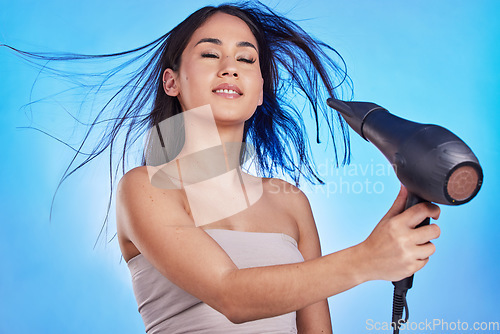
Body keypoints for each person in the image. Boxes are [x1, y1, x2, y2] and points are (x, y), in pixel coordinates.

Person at [4, 2, 441, 333]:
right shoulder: (147, 188)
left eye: (247, 59)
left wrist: (389, 244)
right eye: (211, 55)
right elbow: (230, 294)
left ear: (259, 93)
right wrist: (368, 259)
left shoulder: (291, 204)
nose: (230, 67)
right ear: (172, 81)